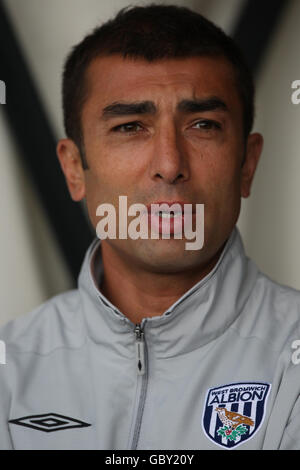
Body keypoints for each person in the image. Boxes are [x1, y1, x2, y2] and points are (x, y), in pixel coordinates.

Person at [0, 4, 299, 450]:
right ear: (74, 169)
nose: (169, 164)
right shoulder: (11, 367)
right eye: (130, 127)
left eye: (203, 125)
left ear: (247, 164)